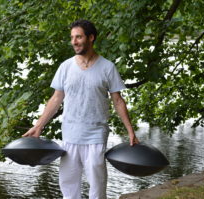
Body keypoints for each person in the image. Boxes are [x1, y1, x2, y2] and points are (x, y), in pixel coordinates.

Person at [23, 19, 139, 199]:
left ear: (91, 38)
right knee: (68, 185)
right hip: (70, 134)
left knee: (97, 185)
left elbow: (118, 100)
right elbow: (56, 98)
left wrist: (130, 131)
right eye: (72, 38)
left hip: (96, 134)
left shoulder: (107, 67)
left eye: (78, 37)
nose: (74, 42)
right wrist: (39, 125)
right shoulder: (65, 67)